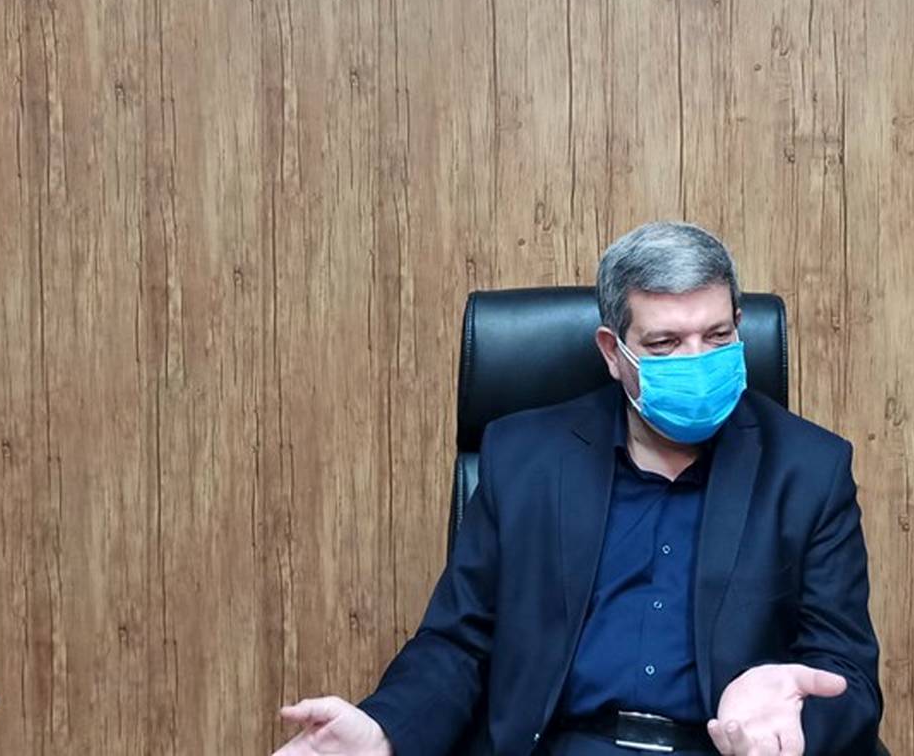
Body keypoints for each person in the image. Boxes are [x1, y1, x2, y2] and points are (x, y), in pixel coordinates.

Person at [274, 222, 882, 755]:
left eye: (717, 336)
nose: (697, 360)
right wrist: (385, 731)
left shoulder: (809, 469)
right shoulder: (525, 460)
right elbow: (460, 642)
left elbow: (846, 675)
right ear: (613, 352)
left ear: (740, 327)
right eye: (665, 343)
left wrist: (791, 728)